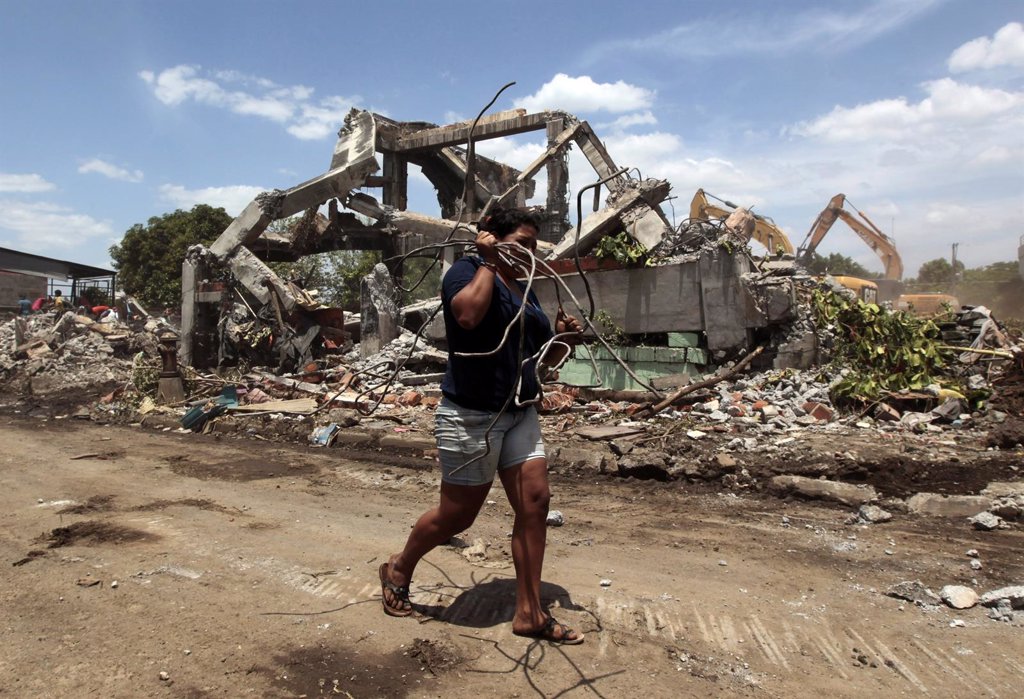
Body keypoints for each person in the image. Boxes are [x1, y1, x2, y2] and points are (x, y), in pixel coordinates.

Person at [379, 208, 585, 644]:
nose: (530, 254)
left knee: (535, 503)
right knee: (458, 515)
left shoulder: (526, 290)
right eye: (523, 244)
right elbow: (468, 317)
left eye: (534, 246)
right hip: (472, 415)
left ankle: (530, 612)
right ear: (492, 237)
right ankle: (399, 566)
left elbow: (539, 361)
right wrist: (488, 262)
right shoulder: (467, 272)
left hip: (520, 412)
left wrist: (563, 339)